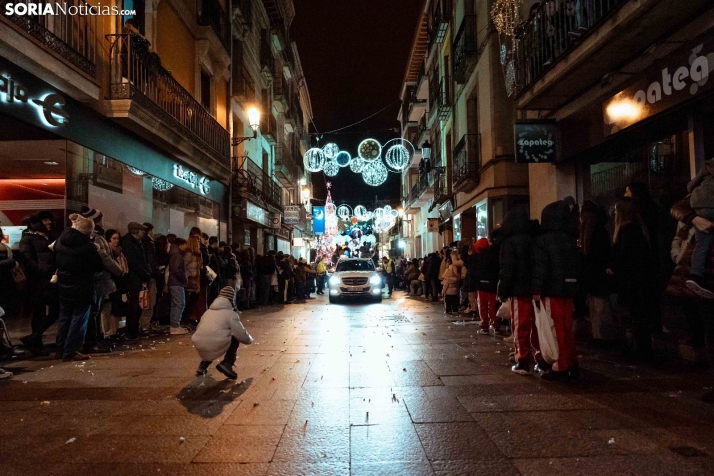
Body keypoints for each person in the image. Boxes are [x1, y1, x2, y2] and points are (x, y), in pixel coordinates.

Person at [667, 196, 714, 402]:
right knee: (711, 330)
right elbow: (678, 207)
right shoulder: (706, 190)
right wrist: (694, 218)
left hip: (705, 273)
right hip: (707, 277)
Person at [531, 201, 582, 380]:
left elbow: (540, 268)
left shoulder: (543, 240)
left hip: (551, 290)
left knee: (555, 329)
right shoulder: (570, 238)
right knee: (567, 328)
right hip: (567, 290)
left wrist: (536, 290)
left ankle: (559, 366)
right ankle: (571, 363)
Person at [607, 197, 657, 359]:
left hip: (633, 280)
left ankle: (640, 349)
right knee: (639, 315)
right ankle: (642, 347)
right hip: (640, 279)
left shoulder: (627, 229)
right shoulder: (638, 229)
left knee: (637, 315)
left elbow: (626, 253)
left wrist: (614, 267)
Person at [498, 207, 544, 375]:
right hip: (535, 290)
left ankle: (522, 360)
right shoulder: (535, 238)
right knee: (536, 325)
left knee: (520, 325)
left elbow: (507, 269)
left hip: (519, 289)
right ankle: (539, 358)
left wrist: (503, 289)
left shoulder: (509, 241)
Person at [54, 214, 105, 361]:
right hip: (82, 286)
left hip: (63, 285)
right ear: (90, 232)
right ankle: (71, 350)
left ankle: (60, 348)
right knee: (79, 319)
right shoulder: (86, 245)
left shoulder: (60, 241)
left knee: (64, 318)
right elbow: (98, 265)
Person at [79, 207, 123, 354]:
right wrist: (118, 270)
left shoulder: (94, 236)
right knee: (94, 311)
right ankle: (91, 341)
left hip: (96, 279)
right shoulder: (97, 237)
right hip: (99, 279)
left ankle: (93, 340)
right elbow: (105, 258)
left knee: (95, 311)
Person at [18, 214, 59, 356]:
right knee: (38, 313)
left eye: (49, 219)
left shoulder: (50, 237)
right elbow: (27, 259)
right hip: (37, 282)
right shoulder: (28, 239)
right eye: (45, 220)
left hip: (52, 280)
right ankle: (36, 344)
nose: (49, 222)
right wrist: (43, 270)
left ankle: (33, 338)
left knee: (56, 311)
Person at [192, 286, 253, 379]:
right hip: (214, 343)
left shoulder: (207, 312)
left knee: (211, 335)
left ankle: (204, 364)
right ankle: (227, 363)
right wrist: (250, 340)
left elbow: (200, 328)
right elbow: (241, 334)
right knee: (234, 337)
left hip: (199, 343)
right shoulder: (231, 314)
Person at [580, 200, 617, 342]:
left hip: (596, 276)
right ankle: (600, 336)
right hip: (594, 276)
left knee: (600, 308)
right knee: (597, 307)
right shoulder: (597, 231)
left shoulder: (596, 233)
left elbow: (598, 256)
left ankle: (603, 336)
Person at [684, 157, 714, 299]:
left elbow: (691, 185)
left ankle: (695, 275)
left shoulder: (709, 165)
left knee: (702, 243)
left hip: (700, 207)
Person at [121, 222, 151, 340]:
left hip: (138, 278)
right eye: (141, 231)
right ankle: (131, 330)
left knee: (138, 306)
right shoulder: (129, 243)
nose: (143, 233)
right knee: (133, 306)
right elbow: (133, 261)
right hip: (133, 279)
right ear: (135, 231)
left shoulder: (137, 243)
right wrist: (144, 273)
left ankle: (134, 329)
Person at [103, 229, 128, 339]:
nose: (116, 241)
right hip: (110, 283)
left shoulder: (119, 252)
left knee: (116, 309)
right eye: (113, 238)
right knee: (107, 310)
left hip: (118, 284)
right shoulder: (107, 251)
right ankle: (108, 333)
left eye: (117, 238)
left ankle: (114, 330)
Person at [471, 238, 500, 335]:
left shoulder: (476, 257)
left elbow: (472, 270)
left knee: (482, 305)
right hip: (492, 284)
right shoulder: (494, 256)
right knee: (492, 305)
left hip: (481, 284)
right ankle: (495, 324)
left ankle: (484, 325)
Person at [139, 223, 161, 333]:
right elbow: (152, 261)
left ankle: (141, 324)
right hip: (150, 275)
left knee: (142, 300)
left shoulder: (139, 242)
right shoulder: (149, 243)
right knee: (149, 301)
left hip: (142, 275)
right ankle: (145, 325)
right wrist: (156, 273)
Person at [167, 238, 189, 335]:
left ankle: (175, 325)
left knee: (176, 304)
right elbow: (176, 270)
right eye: (185, 245)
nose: (186, 247)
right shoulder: (178, 255)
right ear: (180, 245)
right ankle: (175, 326)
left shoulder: (175, 254)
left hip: (174, 282)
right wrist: (184, 278)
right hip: (176, 282)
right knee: (179, 304)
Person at [184, 235, 203, 325]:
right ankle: (186, 320)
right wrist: (189, 275)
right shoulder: (189, 254)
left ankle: (188, 319)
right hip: (190, 280)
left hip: (195, 280)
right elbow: (184, 266)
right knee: (189, 301)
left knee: (192, 301)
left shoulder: (197, 254)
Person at [0, 227, 17, 318]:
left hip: (6, 277)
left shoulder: (5, 247)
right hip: (6, 276)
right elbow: (11, 261)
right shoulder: (5, 247)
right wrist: (11, 262)